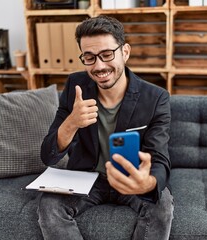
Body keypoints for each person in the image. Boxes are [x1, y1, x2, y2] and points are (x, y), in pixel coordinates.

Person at [38, 15, 173, 240]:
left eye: (107, 54)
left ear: (125, 52)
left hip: (131, 177)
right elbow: (48, 155)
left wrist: (147, 183)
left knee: (162, 205)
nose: (99, 66)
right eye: (89, 57)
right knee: (49, 203)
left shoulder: (156, 97)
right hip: (87, 178)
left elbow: (160, 158)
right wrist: (71, 122)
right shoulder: (75, 86)